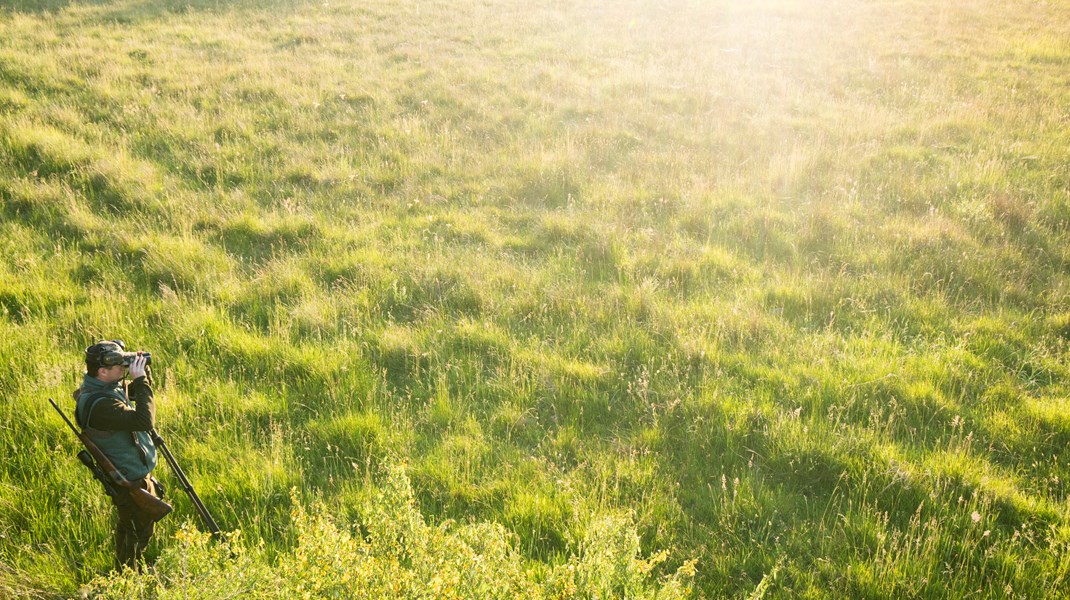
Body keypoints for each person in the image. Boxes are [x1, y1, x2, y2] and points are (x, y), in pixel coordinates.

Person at [74, 340, 166, 570]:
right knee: (137, 533)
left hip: (131, 474)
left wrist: (142, 373)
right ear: (102, 371)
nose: (123, 369)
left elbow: (138, 394)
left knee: (132, 528)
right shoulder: (101, 404)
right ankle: (126, 578)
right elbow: (144, 421)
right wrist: (140, 379)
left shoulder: (104, 386)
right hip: (127, 480)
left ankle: (124, 571)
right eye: (118, 366)